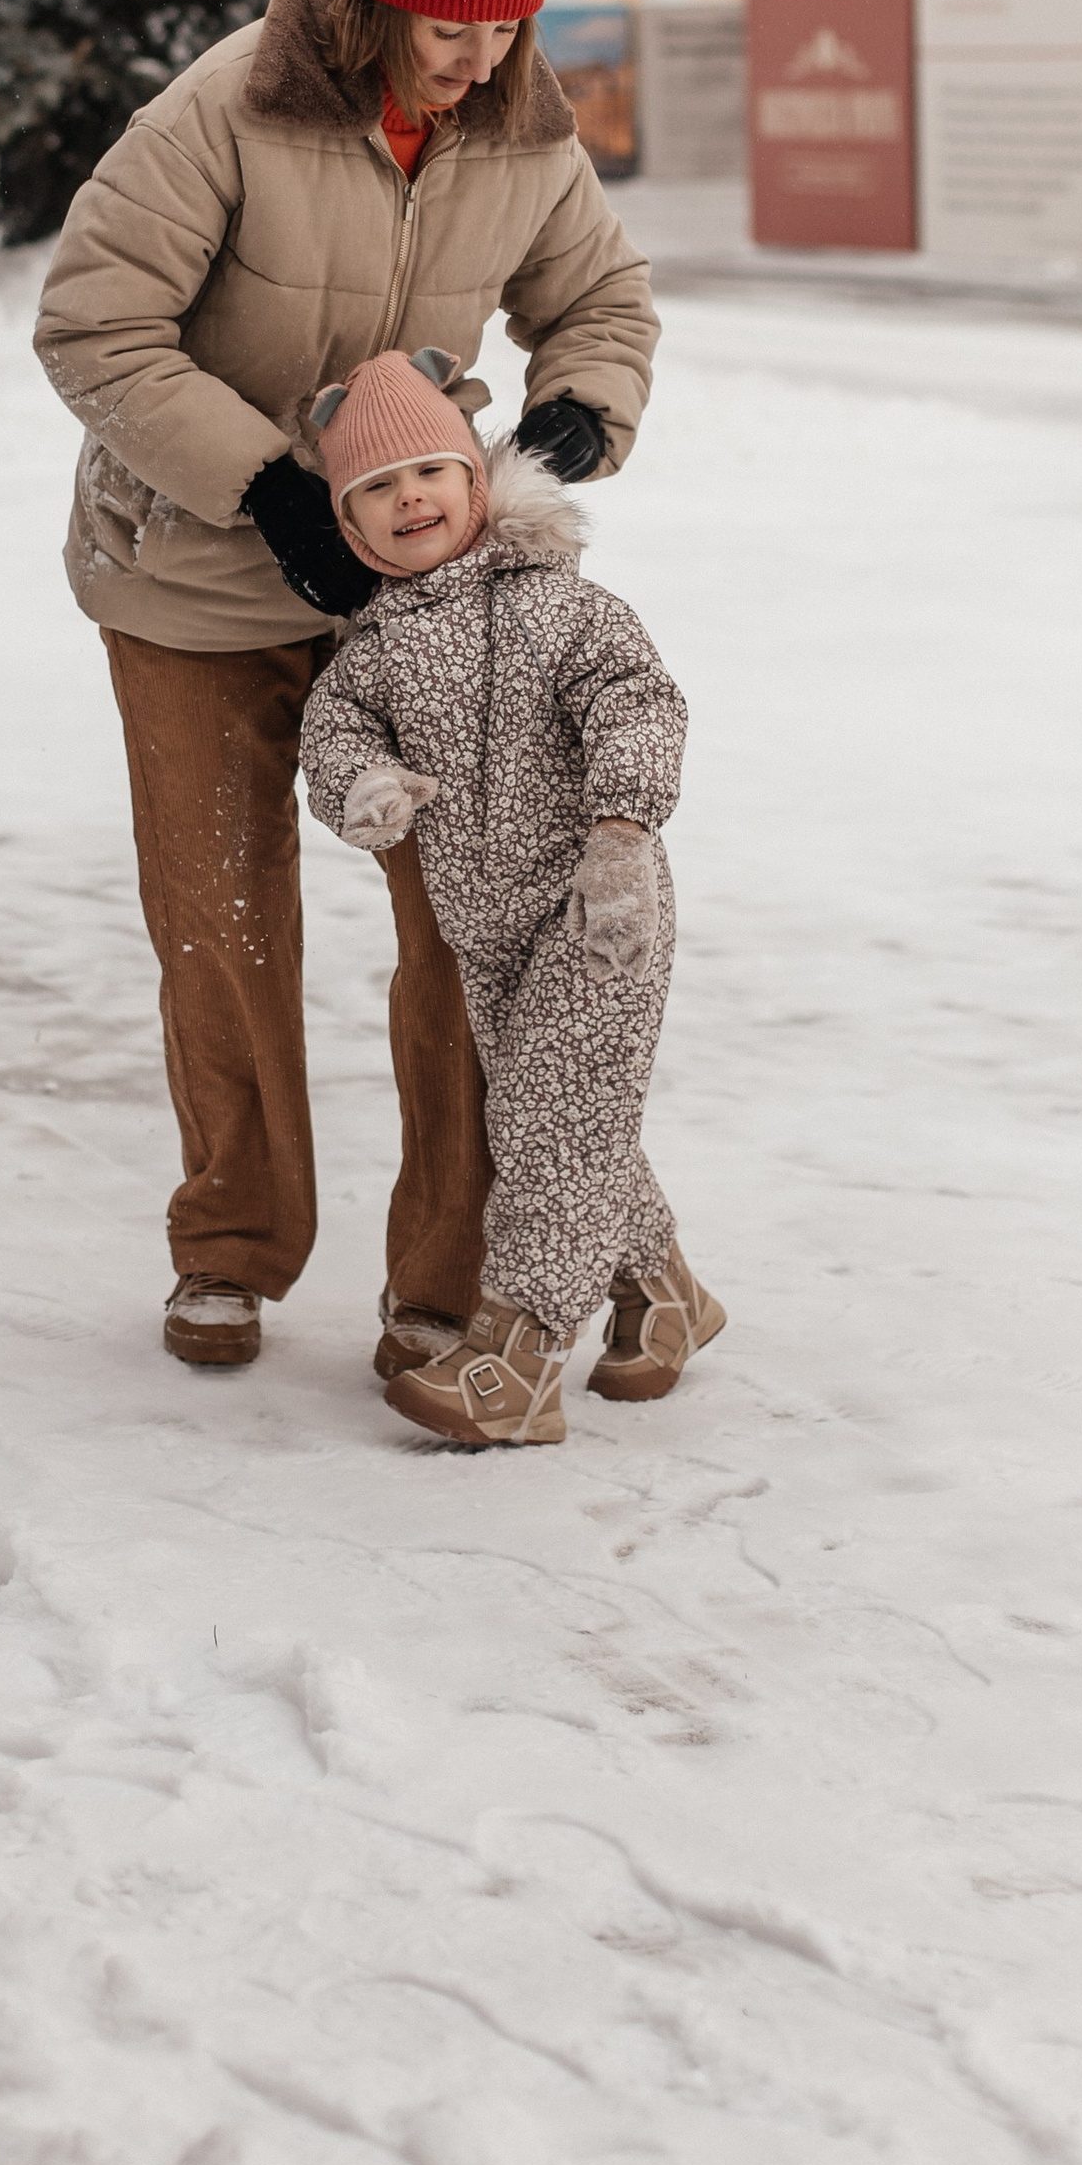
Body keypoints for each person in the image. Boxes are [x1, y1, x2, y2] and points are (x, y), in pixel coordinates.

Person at [33, 0, 659, 1374]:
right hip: (190, 578)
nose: (479, 55)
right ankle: (232, 1250)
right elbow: (94, 327)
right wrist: (258, 488)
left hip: (420, 601)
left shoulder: (520, 128)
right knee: (223, 922)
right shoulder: (224, 111)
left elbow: (599, 294)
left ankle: (444, 1279)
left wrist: (582, 400)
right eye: (452, 25)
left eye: (507, 23)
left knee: (467, 919)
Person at [296, 347, 723, 1450]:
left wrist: (623, 831)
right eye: (376, 491)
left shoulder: (563, 609)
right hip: (483, 930)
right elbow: (332, 740)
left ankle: (517, 1355)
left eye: (428, 474)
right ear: (349, 527)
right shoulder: (371, 654)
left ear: (475, 487)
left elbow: (639, 701)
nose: (408, 501)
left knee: (551, 1120)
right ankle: (664, 1295)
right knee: (559, 1120)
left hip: (595, 909)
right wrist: (363, 789)